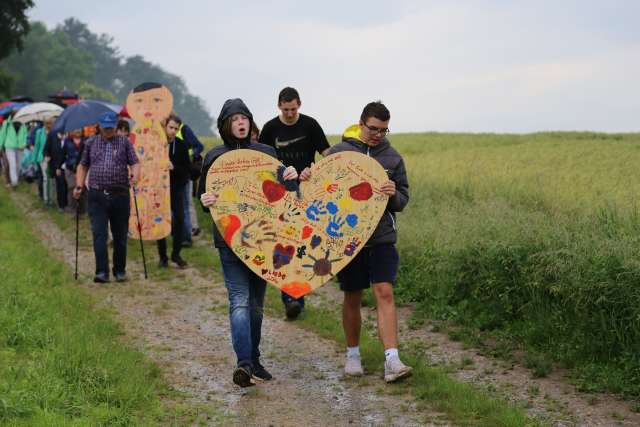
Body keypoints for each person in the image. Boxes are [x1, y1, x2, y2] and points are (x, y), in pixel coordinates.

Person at [300, 101, 412, 383]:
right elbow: (317, 191)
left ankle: (392, 360)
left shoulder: (393, 158)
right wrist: (307, 177)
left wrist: (392, 192)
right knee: (353, 296)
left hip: (382, 237)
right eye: (373, 129)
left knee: (384, 291)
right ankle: (352, 355)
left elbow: (402, 201)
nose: (377, 135)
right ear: (361, 123)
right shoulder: (339, 153)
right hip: (348, 240)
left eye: (384, 131)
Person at [199, 98, 298, 387]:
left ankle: (253, 359)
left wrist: (291, 177)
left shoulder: (266, 153)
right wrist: (206, 201)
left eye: (244, 118)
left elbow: (286, 194)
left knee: (256, 305)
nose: (240, 123)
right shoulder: (214, 157)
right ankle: (243, 363)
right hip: (229, 240)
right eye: (234, 119)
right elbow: (205, 198)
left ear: (250, 122)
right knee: (239, 301)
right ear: (225, 126)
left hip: (263, 241)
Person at [259, 86, 331, 320]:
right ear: (279, 106)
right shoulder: (270, 128)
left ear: (299, 104)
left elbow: (327, 153)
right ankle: (291, 298)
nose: (289, 113)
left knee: (303, 244)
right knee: (284, 243)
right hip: (279, 194)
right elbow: (260, 159)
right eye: (285, 109)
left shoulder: (310, 125)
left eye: (293, 109)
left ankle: (299, 293)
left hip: (307, 191)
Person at [73, 111, 140, 283]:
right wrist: (79, 185)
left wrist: (135, 175)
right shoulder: (91, 142)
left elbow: (134, 162)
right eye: (106, 127)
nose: (109, 130)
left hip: (120, 195)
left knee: (120, 235)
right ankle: (101, 272)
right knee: (99, 235)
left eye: (111, 127)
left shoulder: (124, 142)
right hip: (97, 195)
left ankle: (120, 270)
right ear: (99, 127)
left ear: (116, 126)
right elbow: (82, 165)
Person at [156, 114, 189, 268]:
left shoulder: (181, 145)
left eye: (176, 129)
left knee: (180, 220)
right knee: (160, 222)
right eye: (171, 128)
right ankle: (162, 257)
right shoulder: (156, 144)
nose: (173, 131)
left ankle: (176, 254)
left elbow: (186, 169)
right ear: (165, 127)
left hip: (176, 189)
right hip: (159, 190)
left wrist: (173, 168)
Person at [174, 121, 204, 248]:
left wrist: (187, 154)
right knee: (183, 204)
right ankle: (189, 229)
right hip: (176, 172)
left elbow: (199, 146)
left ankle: (192, 230)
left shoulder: (184, 129)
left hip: (186, 171)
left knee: (187, 203)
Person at [61, 129, 88, 214]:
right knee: (72, 187)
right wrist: (59, 166)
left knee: (82, 189)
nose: (77, 131)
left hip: (82, 168)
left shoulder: (86, 141)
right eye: (75, 129)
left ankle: (82, 210)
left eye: (79, 129)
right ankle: (72, 209)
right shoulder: (67, 141)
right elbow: (62, 154)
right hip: (70, 168)